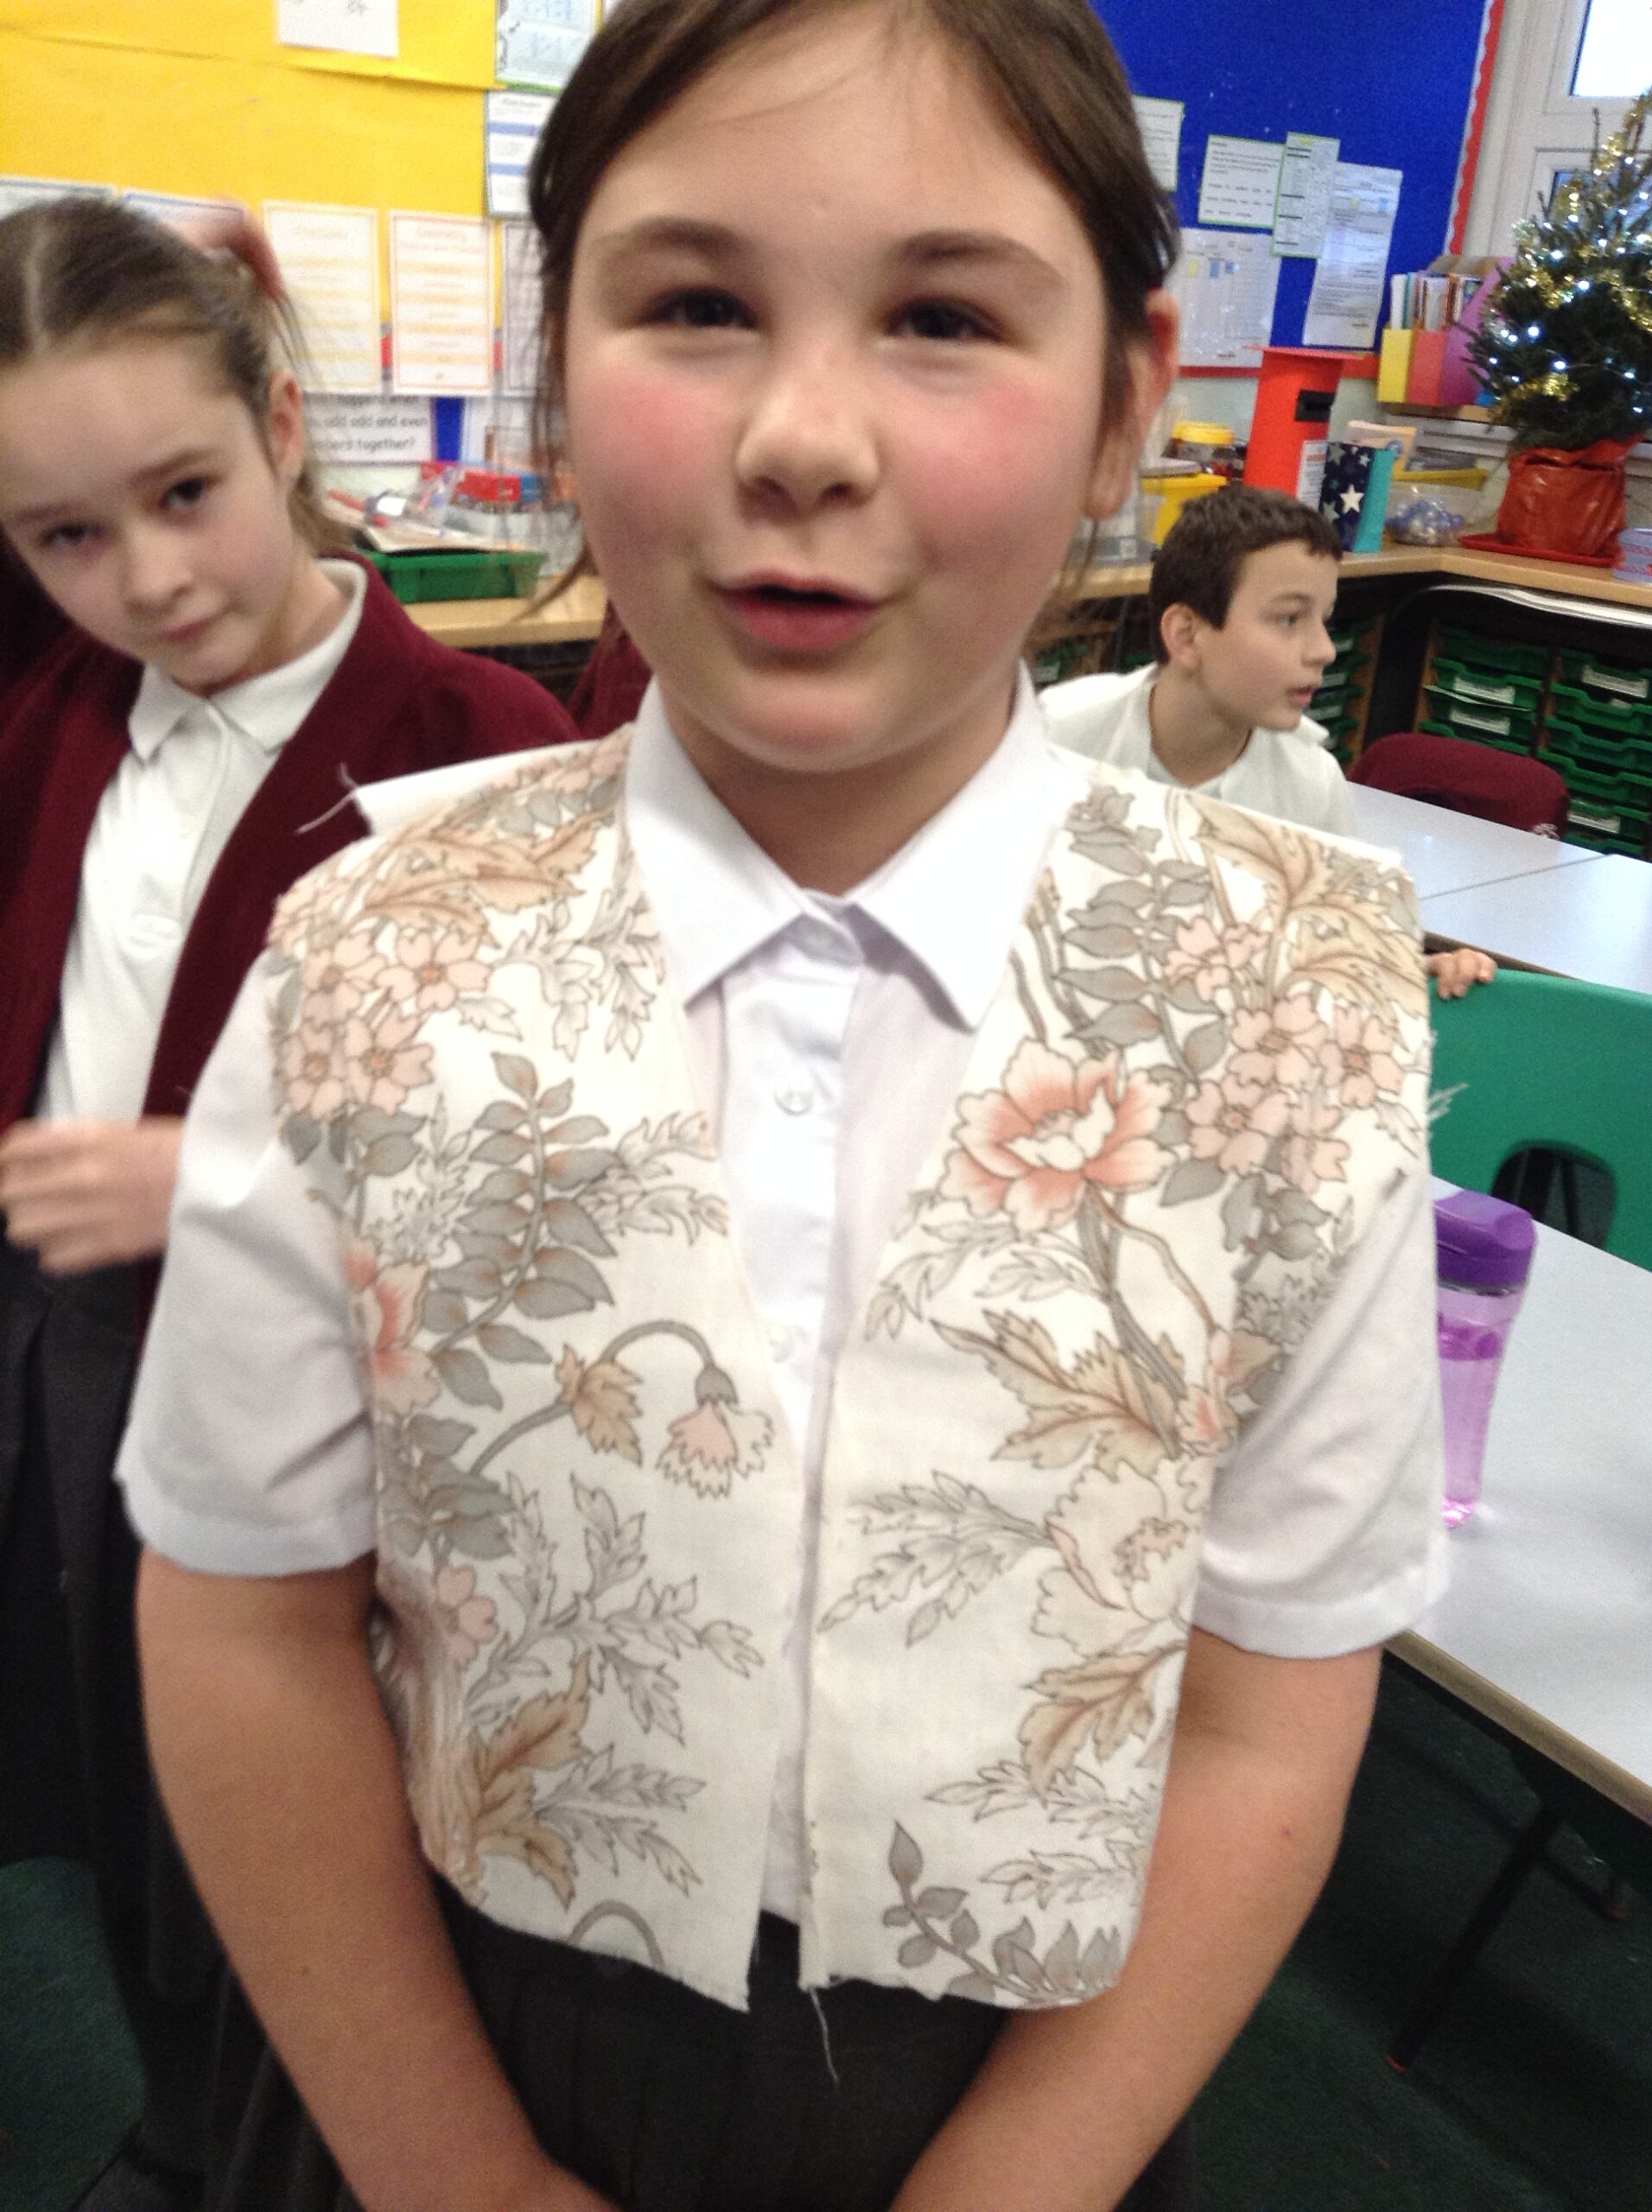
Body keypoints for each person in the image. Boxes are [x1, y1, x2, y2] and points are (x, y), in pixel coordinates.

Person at [119, 5, 1448, 2209]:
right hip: (455, 2046)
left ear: (1124, 402)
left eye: (943, 317)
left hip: (1033, 2086)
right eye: (695, 304)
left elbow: (1264, 1699)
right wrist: (461, 2174)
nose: (802, 438)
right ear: (559, 366)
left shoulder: (1294, 993)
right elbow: (247, 1619)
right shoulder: (364, 952)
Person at [0, 197, 576, 2212]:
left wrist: (223, 1174)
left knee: (263, 1819)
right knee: (100, 1775)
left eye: (186, 493)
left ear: (278, 420)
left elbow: (554, 1168)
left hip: (310, 1391)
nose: (150, 577)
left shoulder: (480, 749)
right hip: (59, 1351)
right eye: (67, 535)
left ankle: (250, 2141)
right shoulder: (67, 698)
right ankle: (182, 2109)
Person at [1041, 484, 1495, 997]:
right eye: (1288, 618)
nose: (1323, 650)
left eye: (1324, 620)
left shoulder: (1310, 784)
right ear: (1186, 636)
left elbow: (1341, 948)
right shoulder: (1060, 733)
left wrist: (1420, 967)